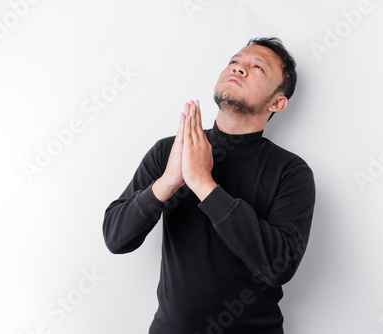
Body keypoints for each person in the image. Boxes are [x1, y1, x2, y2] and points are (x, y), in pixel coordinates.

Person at [102, 37, 316, 334]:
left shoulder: (291, 171)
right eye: (234, 61)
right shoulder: (171, 151)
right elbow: (116, 237)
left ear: (277, 103)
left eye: (257, 67)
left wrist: (204, 184)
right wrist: (168, 182)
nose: (239, 69)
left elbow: (279, 267)